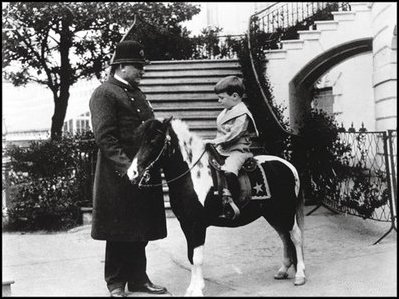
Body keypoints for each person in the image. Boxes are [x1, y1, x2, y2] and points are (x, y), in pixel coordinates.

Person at [89, 40, 168, 297]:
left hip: (143, 171)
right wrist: (128, 168)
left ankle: (138, 280)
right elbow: (105, 138)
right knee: (118, 230)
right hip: (118, 175)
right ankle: (115, 283)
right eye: (138, 67)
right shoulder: (105, 93)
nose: (142, 72)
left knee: (140, 228)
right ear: (122, 66)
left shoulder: (137, 93)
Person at [205, 76, 259, 220]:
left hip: (238, 150)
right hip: (223, 149)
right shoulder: (227, 111)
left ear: (235, 96)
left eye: (221, 98)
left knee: (229, 170)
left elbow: (235, 134)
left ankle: (232, 200)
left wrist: (215, 141)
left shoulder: (242, 114)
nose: (219, 101)